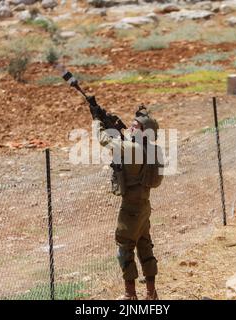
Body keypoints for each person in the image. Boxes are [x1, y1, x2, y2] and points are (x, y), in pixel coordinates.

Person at [88, 99, 161, 300]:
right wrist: (113, 122)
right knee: (145, 245)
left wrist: (97, 120)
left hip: (130, 208)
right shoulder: (153, 149)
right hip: (144, 205)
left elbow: (104, 140)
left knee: (124, 248)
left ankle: (131, 295)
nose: (131, 127)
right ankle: (151, 294)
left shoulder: (131, 149)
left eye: (135, 126)